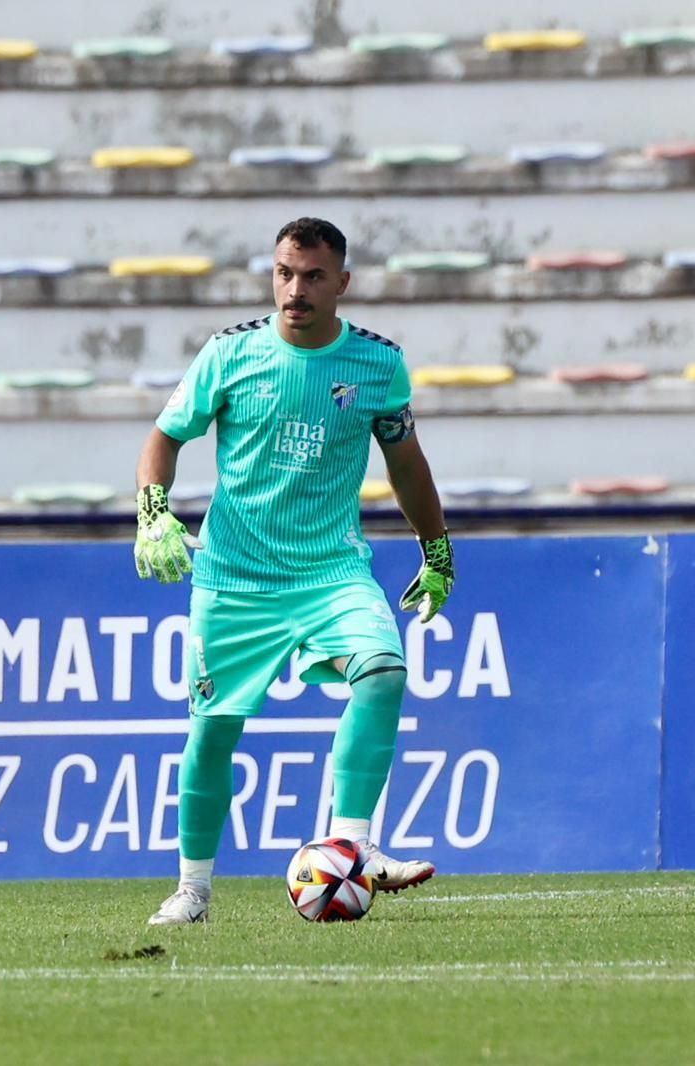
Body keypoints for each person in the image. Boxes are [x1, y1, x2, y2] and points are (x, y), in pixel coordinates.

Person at [133, 217, 456, 926]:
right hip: (234, 578)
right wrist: (154, 510)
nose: (295, 289)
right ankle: (193, 890)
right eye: (284, 272)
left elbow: (406, 464)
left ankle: (353, 845)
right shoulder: (230, 354)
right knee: (213, 731)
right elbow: (165, 435)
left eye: (313, 276)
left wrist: (435, 551)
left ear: (342, 283)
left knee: (383, 671)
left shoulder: (378, 365)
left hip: (331, 573)